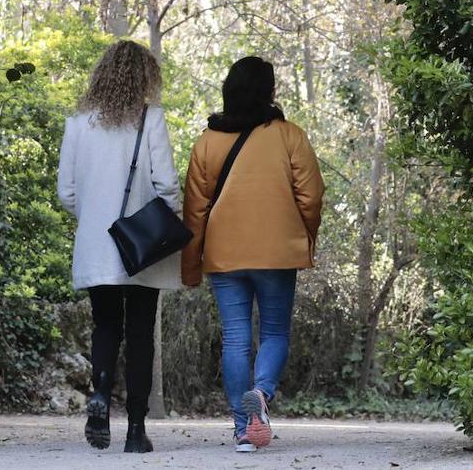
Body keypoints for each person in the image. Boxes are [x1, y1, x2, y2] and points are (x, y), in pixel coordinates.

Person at [181, 56, 324, 453]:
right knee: (275, 332)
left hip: (224, 255)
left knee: (235, 340)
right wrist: (303, 237)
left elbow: (194, 211)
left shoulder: (207, 141)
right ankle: (261, 392)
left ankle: (244, 428)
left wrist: (191, 265)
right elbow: (311, 197)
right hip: (277, 252)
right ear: (270, 91)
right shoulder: (289, 135)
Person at [57, 40, 182, 453]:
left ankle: (100, 393)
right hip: (141, 244)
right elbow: (165, 185)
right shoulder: (151, 119)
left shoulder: (78, 124)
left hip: (97, 243)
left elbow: (67, 193)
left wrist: (95, 216)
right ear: (145, 77)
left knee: (105, 325)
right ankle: (135, 430)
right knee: (141, 333)